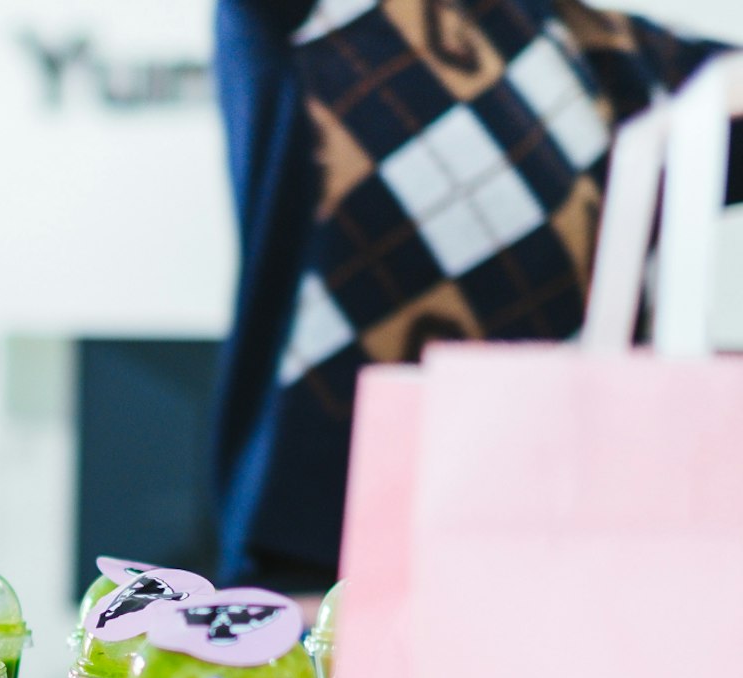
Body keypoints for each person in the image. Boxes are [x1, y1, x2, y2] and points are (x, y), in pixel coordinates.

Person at [213, 0, 743, 590]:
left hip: (548, 539)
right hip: (323, 544)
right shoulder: (320, 17)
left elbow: (718, 101)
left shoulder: (591, 44)